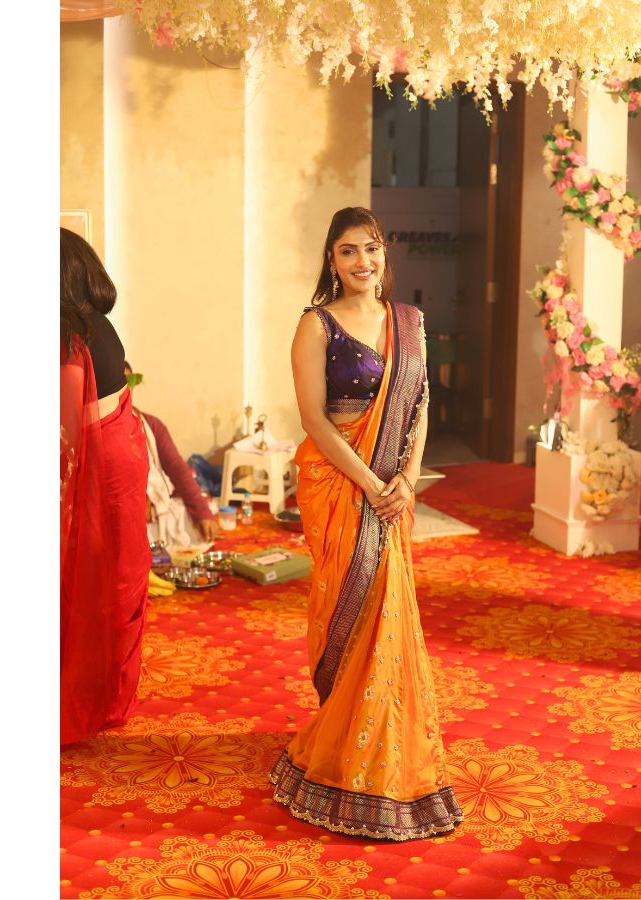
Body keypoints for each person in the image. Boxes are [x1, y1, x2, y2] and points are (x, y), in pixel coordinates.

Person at [269, 207, 464, 839]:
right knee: (356, 606)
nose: (362, 261)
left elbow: (421, 403)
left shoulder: (409, 323)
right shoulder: (315, 324)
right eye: (348, 251)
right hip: (340, 482)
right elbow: (315, 419)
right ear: (332, 260)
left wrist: (407, 478)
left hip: (390, 489)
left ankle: (385, 738)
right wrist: (372, 482)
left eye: (371, 248)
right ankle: (348, 734)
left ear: (384, 254)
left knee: (391, 613)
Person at [60, 227, 150, 745]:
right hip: (124, 453)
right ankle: (105, 697)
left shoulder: (68, 333)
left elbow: (67, 428)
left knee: (87, 579)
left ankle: (79, 702)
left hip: (101, 465)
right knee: (116, 574)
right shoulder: (101, 324)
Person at [123, 360, 219, 547]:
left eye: (129, 382)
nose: (125, 390)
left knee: (187, 514)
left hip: (155, 509)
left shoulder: (150, 424)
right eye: (118, 383)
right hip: (121, 516)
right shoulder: (95, 429)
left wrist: (202, 512)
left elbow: (177, 468)